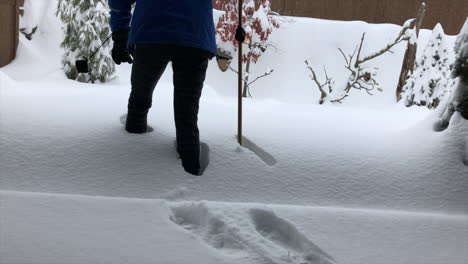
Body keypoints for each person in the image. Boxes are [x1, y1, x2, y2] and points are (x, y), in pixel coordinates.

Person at [108, 0, 216, 176]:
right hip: (195, 35)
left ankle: (129, 171)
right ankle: (191, 175)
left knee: (139, 101)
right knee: (187, 114)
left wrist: (120, 33)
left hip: (151, 31)